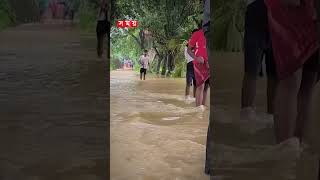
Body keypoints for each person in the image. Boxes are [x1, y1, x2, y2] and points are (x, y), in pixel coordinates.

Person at [264, 0, 320, 178]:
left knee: (309, 78)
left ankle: (295, 149)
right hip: (291, 9)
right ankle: (285, 152)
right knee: (291, 76)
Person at [240, 0, 277, 122]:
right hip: (257, 10)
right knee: (252, 70)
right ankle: (246, 113)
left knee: (274, 73)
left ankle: (271, 117)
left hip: (280, 11)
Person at [187, 25, 210, 108]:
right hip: (199, 65)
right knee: (200, 86)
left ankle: (203, 107)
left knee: (206, 87)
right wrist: (196, 58)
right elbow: (189, 50)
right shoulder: (197, 34)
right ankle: (198, 110)